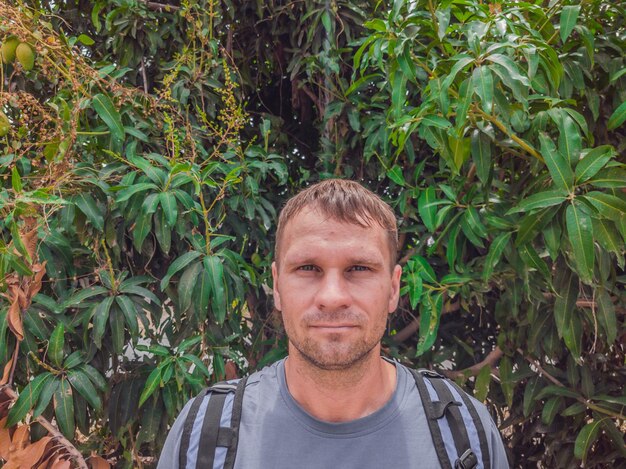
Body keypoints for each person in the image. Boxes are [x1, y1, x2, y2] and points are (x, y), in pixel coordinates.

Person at [158, 179, 509, 469]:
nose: (332, 296)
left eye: (359, 269)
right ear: (277, 286)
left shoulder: (463, 435)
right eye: (308, 268)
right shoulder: (205, 436)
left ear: (393, 288)